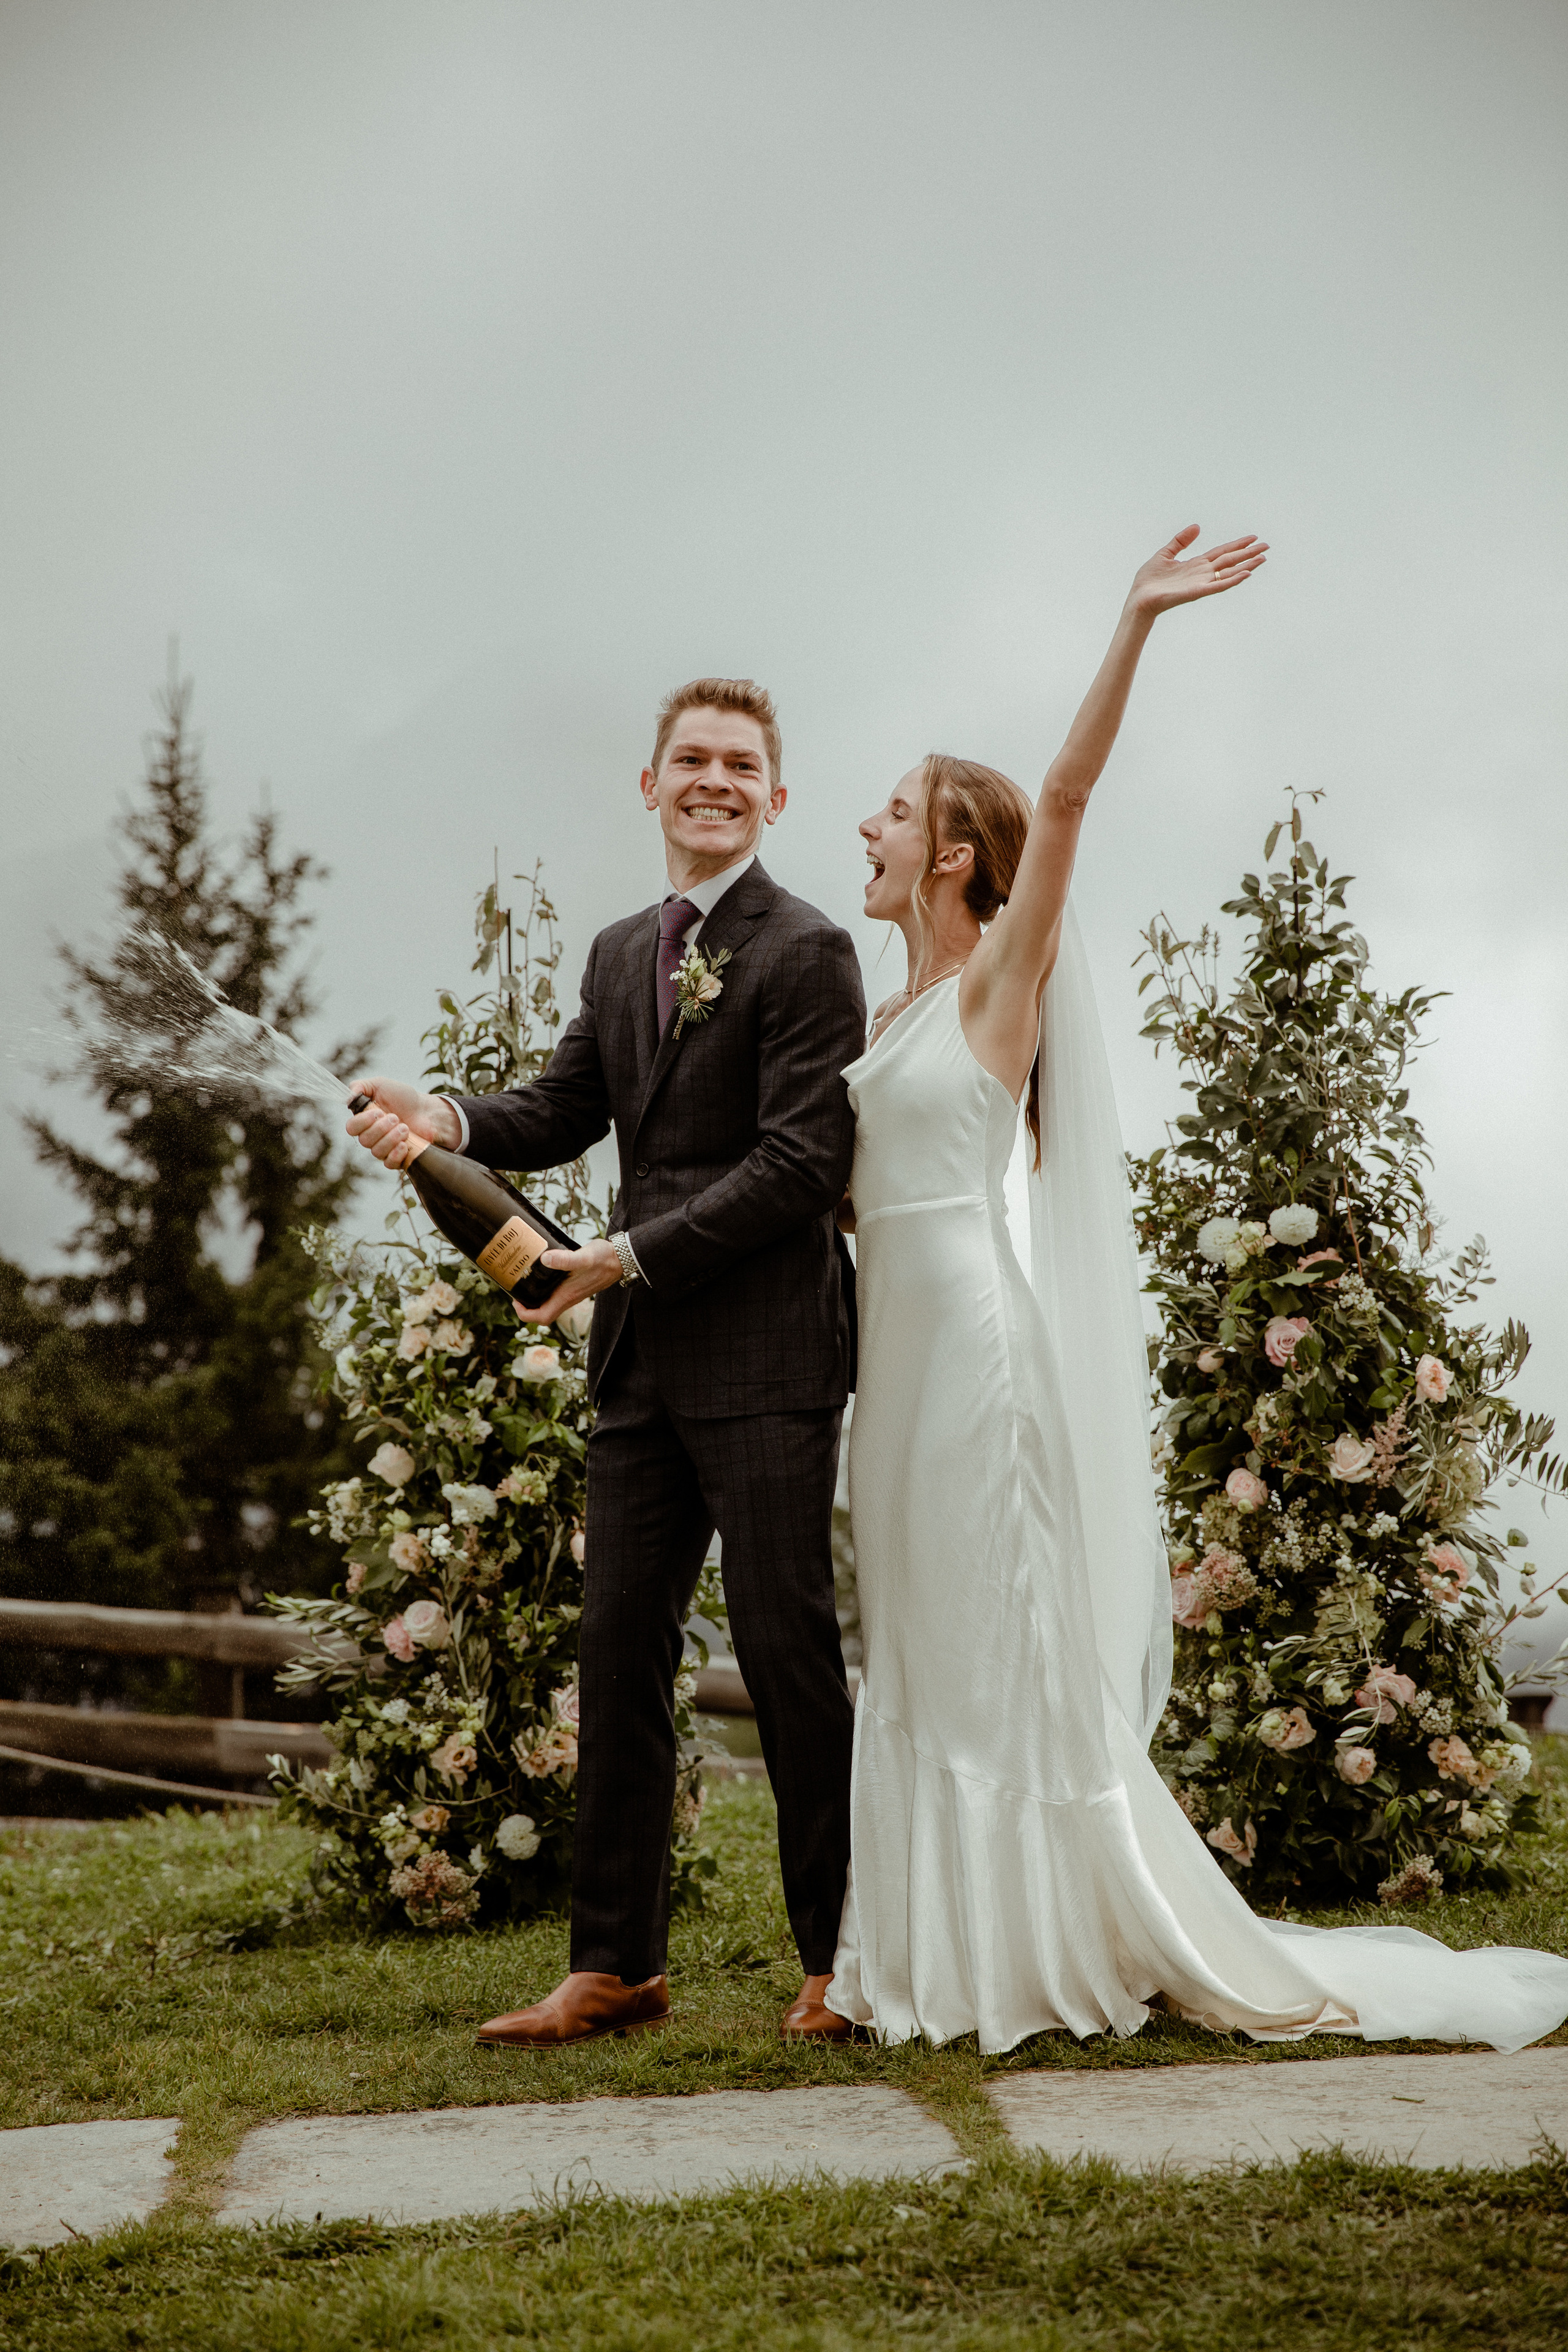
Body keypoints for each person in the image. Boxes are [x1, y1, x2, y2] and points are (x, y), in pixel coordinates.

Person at [824, 526, 1568, 2054]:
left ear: (955, 855)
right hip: (885, 1357)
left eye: (891, 811)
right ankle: (921, 1949)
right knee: (912, 1640)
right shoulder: (878, 1005)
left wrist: (1134, 621)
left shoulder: (989, 987)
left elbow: (1072, 794)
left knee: (996, 1641)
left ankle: (1034, 1949)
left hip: (972, 1353)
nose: (867, 826)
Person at [349, 678, 865, 2046]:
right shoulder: (618, 949)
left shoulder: (809, 951)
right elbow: (566, 1106)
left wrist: (618, 1258)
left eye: (740, 764)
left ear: (775, 795)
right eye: (689, 759)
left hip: (766, 1352)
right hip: (640, 1366)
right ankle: (615, 1968)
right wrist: (443, 1113)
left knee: (784, 1652)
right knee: (617, 1650)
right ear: (648, 785)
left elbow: (802, 1165)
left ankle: (840, 1958)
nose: (713, 779)